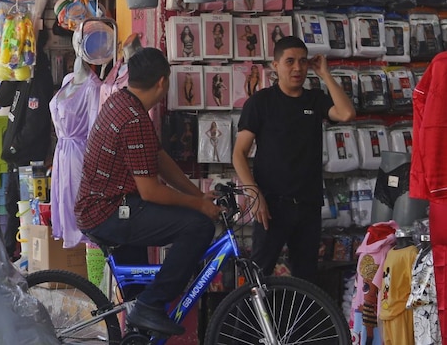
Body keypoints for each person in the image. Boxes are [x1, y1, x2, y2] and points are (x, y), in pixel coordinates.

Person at [75, 48, 219, 337]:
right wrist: (199, 207)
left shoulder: (123, 102)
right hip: (110, 212)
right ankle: (152, 304)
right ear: (163, 82)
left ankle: (139, 322)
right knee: (198, 227)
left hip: (108, 207)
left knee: (136, 308)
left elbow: (160, 159)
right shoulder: (135, 119)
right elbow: (151, 191)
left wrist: (198, 196)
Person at [233, 36, 356, 280]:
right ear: (275, 65)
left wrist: (325, 74)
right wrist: (254, 194)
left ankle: (300, 320)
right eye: (289, 61)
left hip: (308, 205)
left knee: (306, 277)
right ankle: (245, 320)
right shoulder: (261, 102)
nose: (297, 68)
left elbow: (346, 113)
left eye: (302, 62)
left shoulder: (314, 99)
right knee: (258, 276)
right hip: (271, 205)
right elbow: (238, 154)